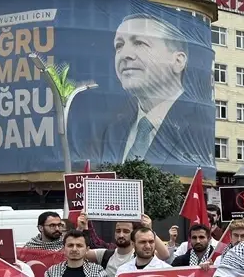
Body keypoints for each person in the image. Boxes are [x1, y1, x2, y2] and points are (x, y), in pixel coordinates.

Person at [74, 13, 210, 170]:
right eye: (119, 46)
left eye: (139, 43)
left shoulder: (200, 121)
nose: (125, 55)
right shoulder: (111, 130)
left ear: (178, 61)